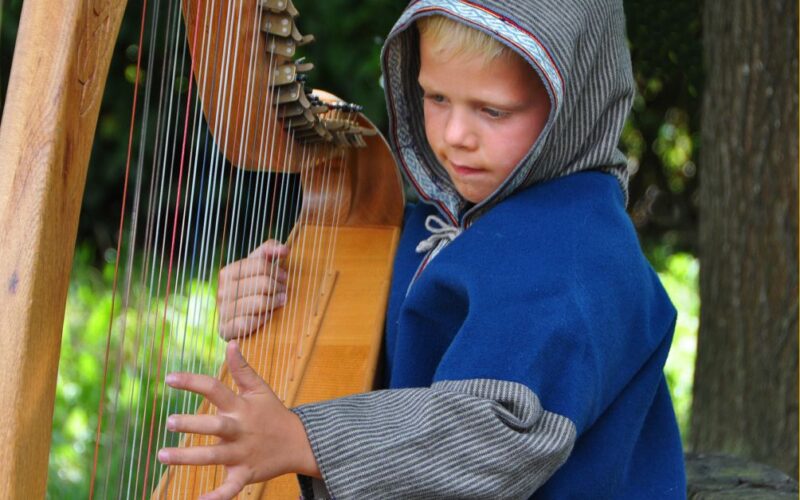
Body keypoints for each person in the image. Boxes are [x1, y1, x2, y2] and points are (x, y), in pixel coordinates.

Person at [157, 1, 687, 498]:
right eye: (436, 98)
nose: (456, 134)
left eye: (493, 111)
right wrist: (270, 294)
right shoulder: (462, 214)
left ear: (573, 107)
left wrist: (304, 440)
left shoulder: (573, 254)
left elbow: (495, 431)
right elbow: (394, 333)